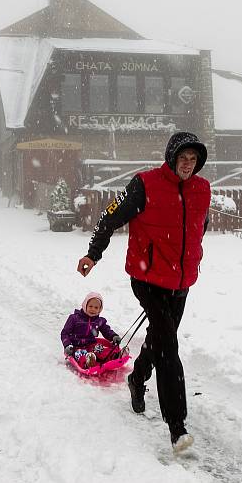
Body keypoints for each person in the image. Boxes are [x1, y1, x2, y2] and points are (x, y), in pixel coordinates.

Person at [76, 131, 210, 453]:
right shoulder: (145, 184)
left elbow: (199, 226)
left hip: (181, 282)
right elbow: (110, 216)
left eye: (193, 159)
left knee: (161, 337)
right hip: (148, 278)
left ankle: (137, 378)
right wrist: (93, 254)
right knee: (168, 346)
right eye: (182, 158)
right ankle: (177, 427)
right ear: (172, 158)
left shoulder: (202, 190)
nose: (188, 165)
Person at [60, 292, 121, 369]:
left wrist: (113, 336)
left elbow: (106, 330)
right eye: (90, 306)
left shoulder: (99, 320)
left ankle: (114, 355)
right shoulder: (74, 318)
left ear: (100, 309)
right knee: (80, 355)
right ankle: (87, 363)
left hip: (91, 345)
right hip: (76, 346)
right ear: (85, 305)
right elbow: (65, 333)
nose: (93, 309)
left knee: (100, 349)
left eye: (96, 308)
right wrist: (67, 345)